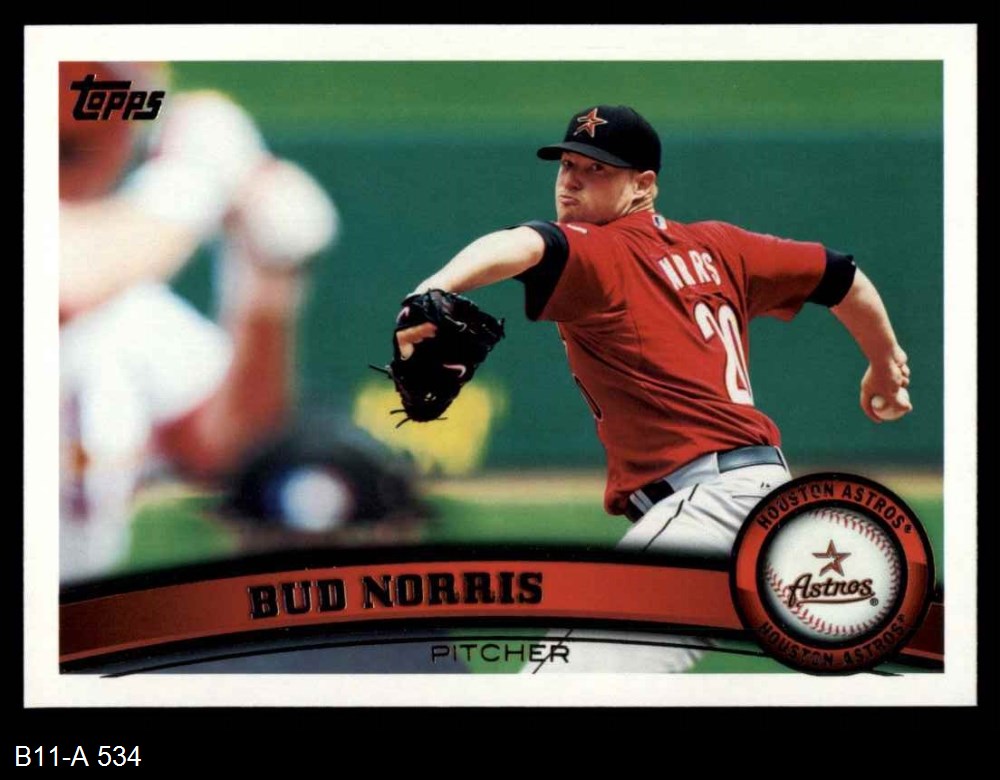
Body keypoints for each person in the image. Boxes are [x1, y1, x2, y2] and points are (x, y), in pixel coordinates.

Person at [397, 104, 912, 671]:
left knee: (556, 681)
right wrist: (885, 363)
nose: (571, 181)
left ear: (643, 185)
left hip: (710, 510)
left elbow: (528, 244)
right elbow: (840, 276)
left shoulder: (605, 249)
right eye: (567, 164)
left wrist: (432, 288)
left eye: (597, 169)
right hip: (765, 502)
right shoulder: (721, 247)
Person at [59, 65, 338, 583]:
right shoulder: (95, 266)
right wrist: (192, 181)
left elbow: (228, 447)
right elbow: (64, 282)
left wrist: (267, 282)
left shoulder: (133, 308)